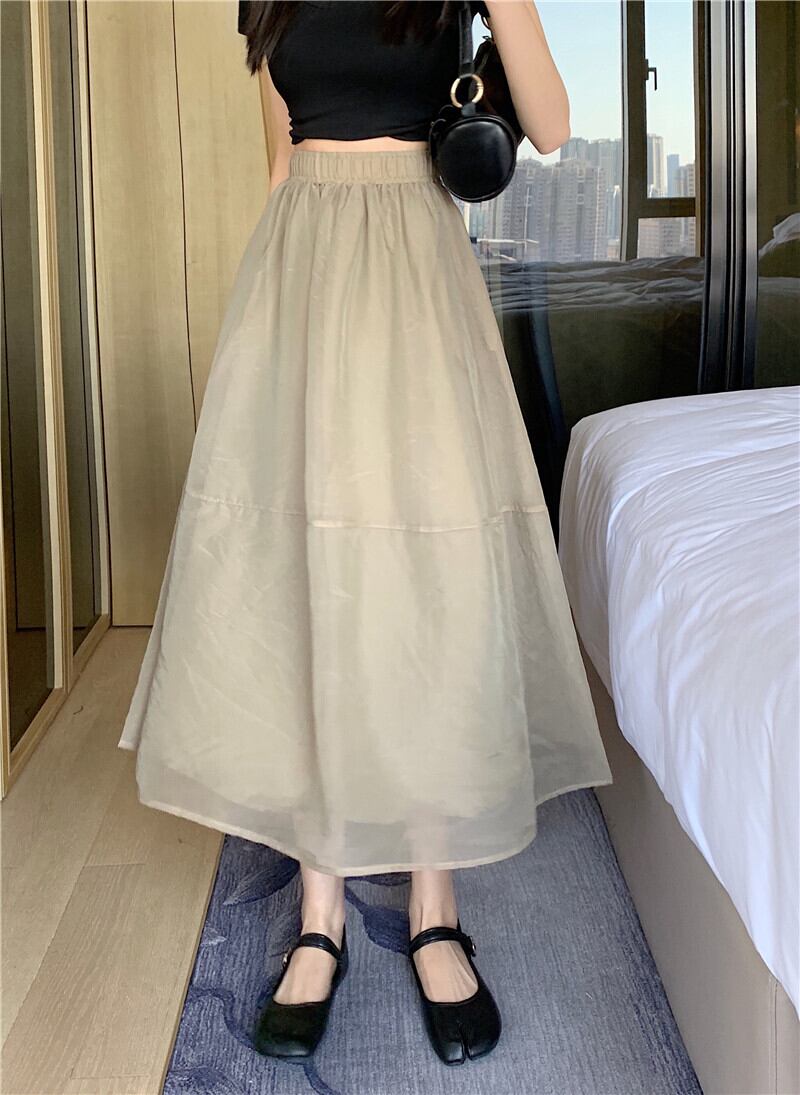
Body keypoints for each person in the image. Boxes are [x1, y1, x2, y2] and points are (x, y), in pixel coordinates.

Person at [117, 0, 613, 1068]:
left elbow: (551, 123)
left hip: (416, 270)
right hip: (298, 273)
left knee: (432, 582)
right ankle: (320, 913)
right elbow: (282, 162)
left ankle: (434, 909)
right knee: (303, 577)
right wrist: (261, 338)